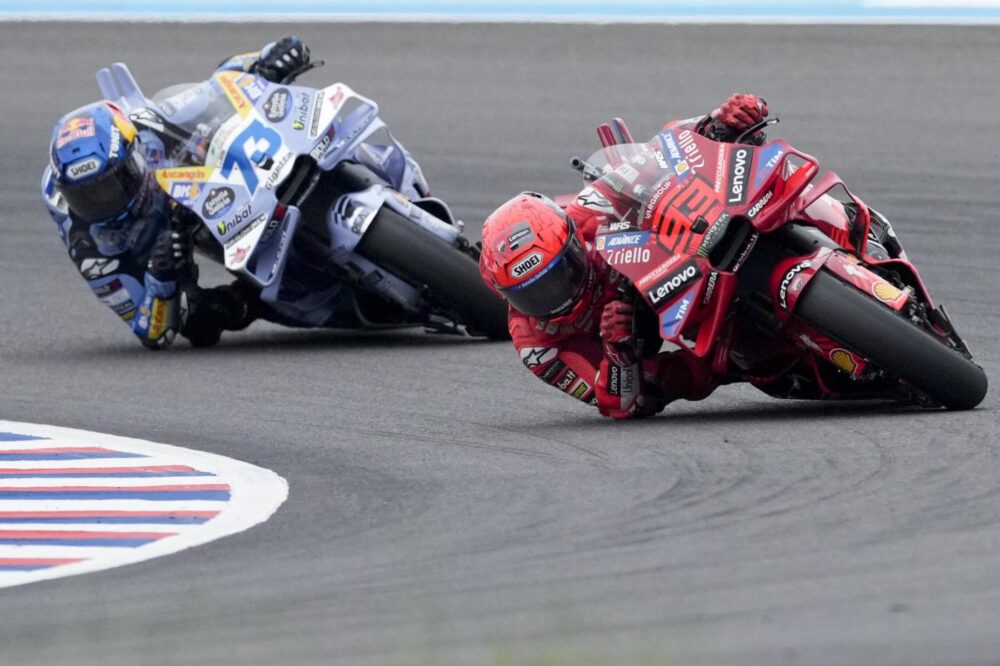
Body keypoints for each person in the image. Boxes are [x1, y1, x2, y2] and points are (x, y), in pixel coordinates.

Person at [479, 94, 772, 419]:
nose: (556, 295)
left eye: (560, 273)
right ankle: (731, 361)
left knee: (732, 175)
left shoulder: (587, 211)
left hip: (675, 257)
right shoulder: (535, 344)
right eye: (532, 294)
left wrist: (717, 123)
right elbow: (617, 404)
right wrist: (618, 352)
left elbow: (662, 150)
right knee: (654, 389)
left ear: (573, 242)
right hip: (639, 334)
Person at [41, 37, 313, 349]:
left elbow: (214, 88)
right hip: (167, 236)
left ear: (134, 157)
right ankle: (257, 300)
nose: (103, 201)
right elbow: (151, 332)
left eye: (111, 185)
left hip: (213, 178)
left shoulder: (146, 129)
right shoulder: (90, 245)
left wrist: (265, 62)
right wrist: (160, 275)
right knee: (201, 322)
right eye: (87, 197)